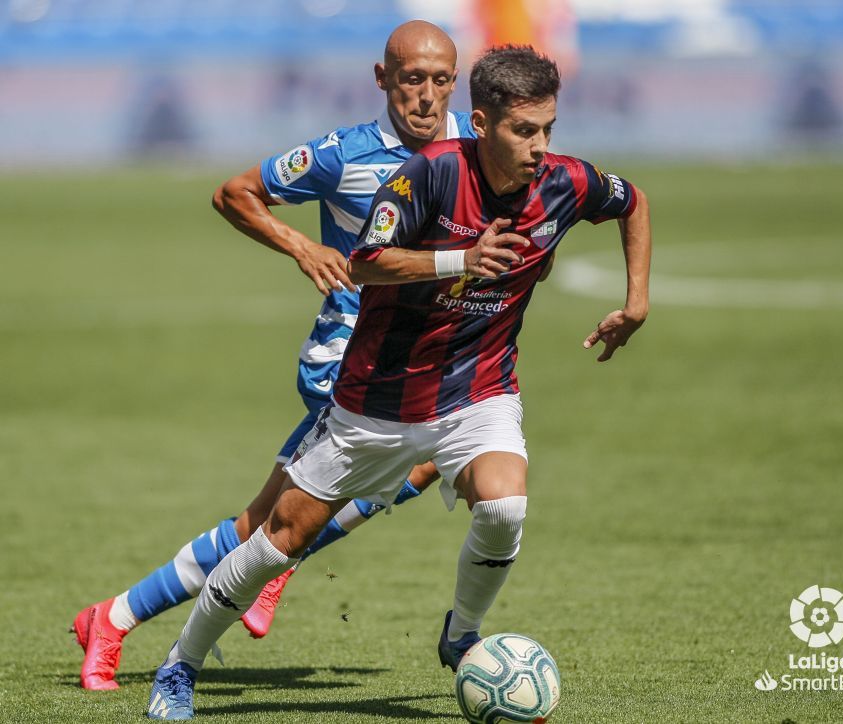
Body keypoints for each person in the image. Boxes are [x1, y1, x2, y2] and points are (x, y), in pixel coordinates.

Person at [146, 44, 651, 720]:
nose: (539, 146)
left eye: (547, 129)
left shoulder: (566, 181)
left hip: (479, 390)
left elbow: (633, 201)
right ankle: (181, 664)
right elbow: (367, 263)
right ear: (481, 124)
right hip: (376, 401)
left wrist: (636, 301)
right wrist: (460, 258)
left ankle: (462, 631)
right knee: (277, 542)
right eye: (522, 130)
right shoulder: (429, 175)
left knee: (504, 508)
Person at [71, 20, 474, 691]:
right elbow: (234, 193)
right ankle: (145, 611)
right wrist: (304, 247)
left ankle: (119, 615)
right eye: (411, 80)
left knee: (312, 506)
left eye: (439, 80)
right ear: (383, 80)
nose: (426, 96)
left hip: (421, 360)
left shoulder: (474, 146)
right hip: (348, 360)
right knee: (297, 514)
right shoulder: (343, 155)